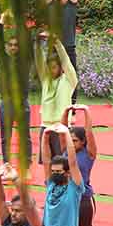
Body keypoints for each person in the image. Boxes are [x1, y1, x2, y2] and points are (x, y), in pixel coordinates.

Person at [61, 105, 98, 226]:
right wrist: (66, 111)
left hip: (83, 198)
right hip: (67, 198)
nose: (71, 143)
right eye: (70, 140)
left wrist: (86, 111)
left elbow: (89, 131)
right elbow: (62, 130)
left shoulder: (89, 154)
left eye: (75, 140)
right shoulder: (65, 150)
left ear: (83, 142)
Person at [35, 31, 78, 163]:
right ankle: (49, 184)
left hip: (62, 127)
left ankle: (64, 184)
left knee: (63, 164)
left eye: (54, 67)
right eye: (49, 67)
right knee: (47, 163)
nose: (50, 70)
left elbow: (66, 61)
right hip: (45, 126)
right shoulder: (46, 80)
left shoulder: (69, 80)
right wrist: (37, 44)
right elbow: (39, 62)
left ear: (61, 68)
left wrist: (57, 42)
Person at [0, 23, 32, 165]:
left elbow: (28, 44)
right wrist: (1, 23)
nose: (13, 47)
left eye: (16, 45)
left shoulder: (25, 61)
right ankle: (6, 164)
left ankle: (27, 165)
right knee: (6, 137)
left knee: (25, 137)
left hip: (22, 102)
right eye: (10, 45)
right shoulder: (4, 60)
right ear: (7, 47)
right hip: (7, 103)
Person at [53, 0, 79, 103]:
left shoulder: (71, 6)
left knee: (72, 76)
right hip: (55, 48)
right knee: (53, 77)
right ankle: (55, 103)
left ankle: (73, 106)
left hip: (69, 48)